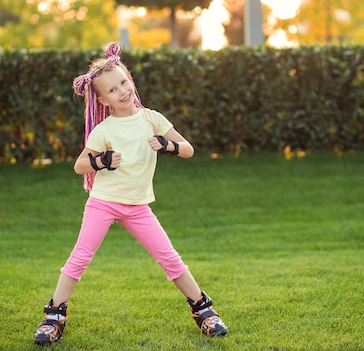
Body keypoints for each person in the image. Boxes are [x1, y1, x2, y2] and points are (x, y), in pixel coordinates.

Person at [33, 42, 228, 345]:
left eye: (124, 82)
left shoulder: (152, 119)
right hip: (103, 204)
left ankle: (204, 311)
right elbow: (79, 165)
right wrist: (102, 161)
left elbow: (188, 149)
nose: (122, 91)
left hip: (138, 207)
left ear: (130, 81)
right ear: (101, 99)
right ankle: (54, 317)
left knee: (170, 259)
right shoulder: (103, 130)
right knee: (79, 258)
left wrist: (167, 146)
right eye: (112, 90)